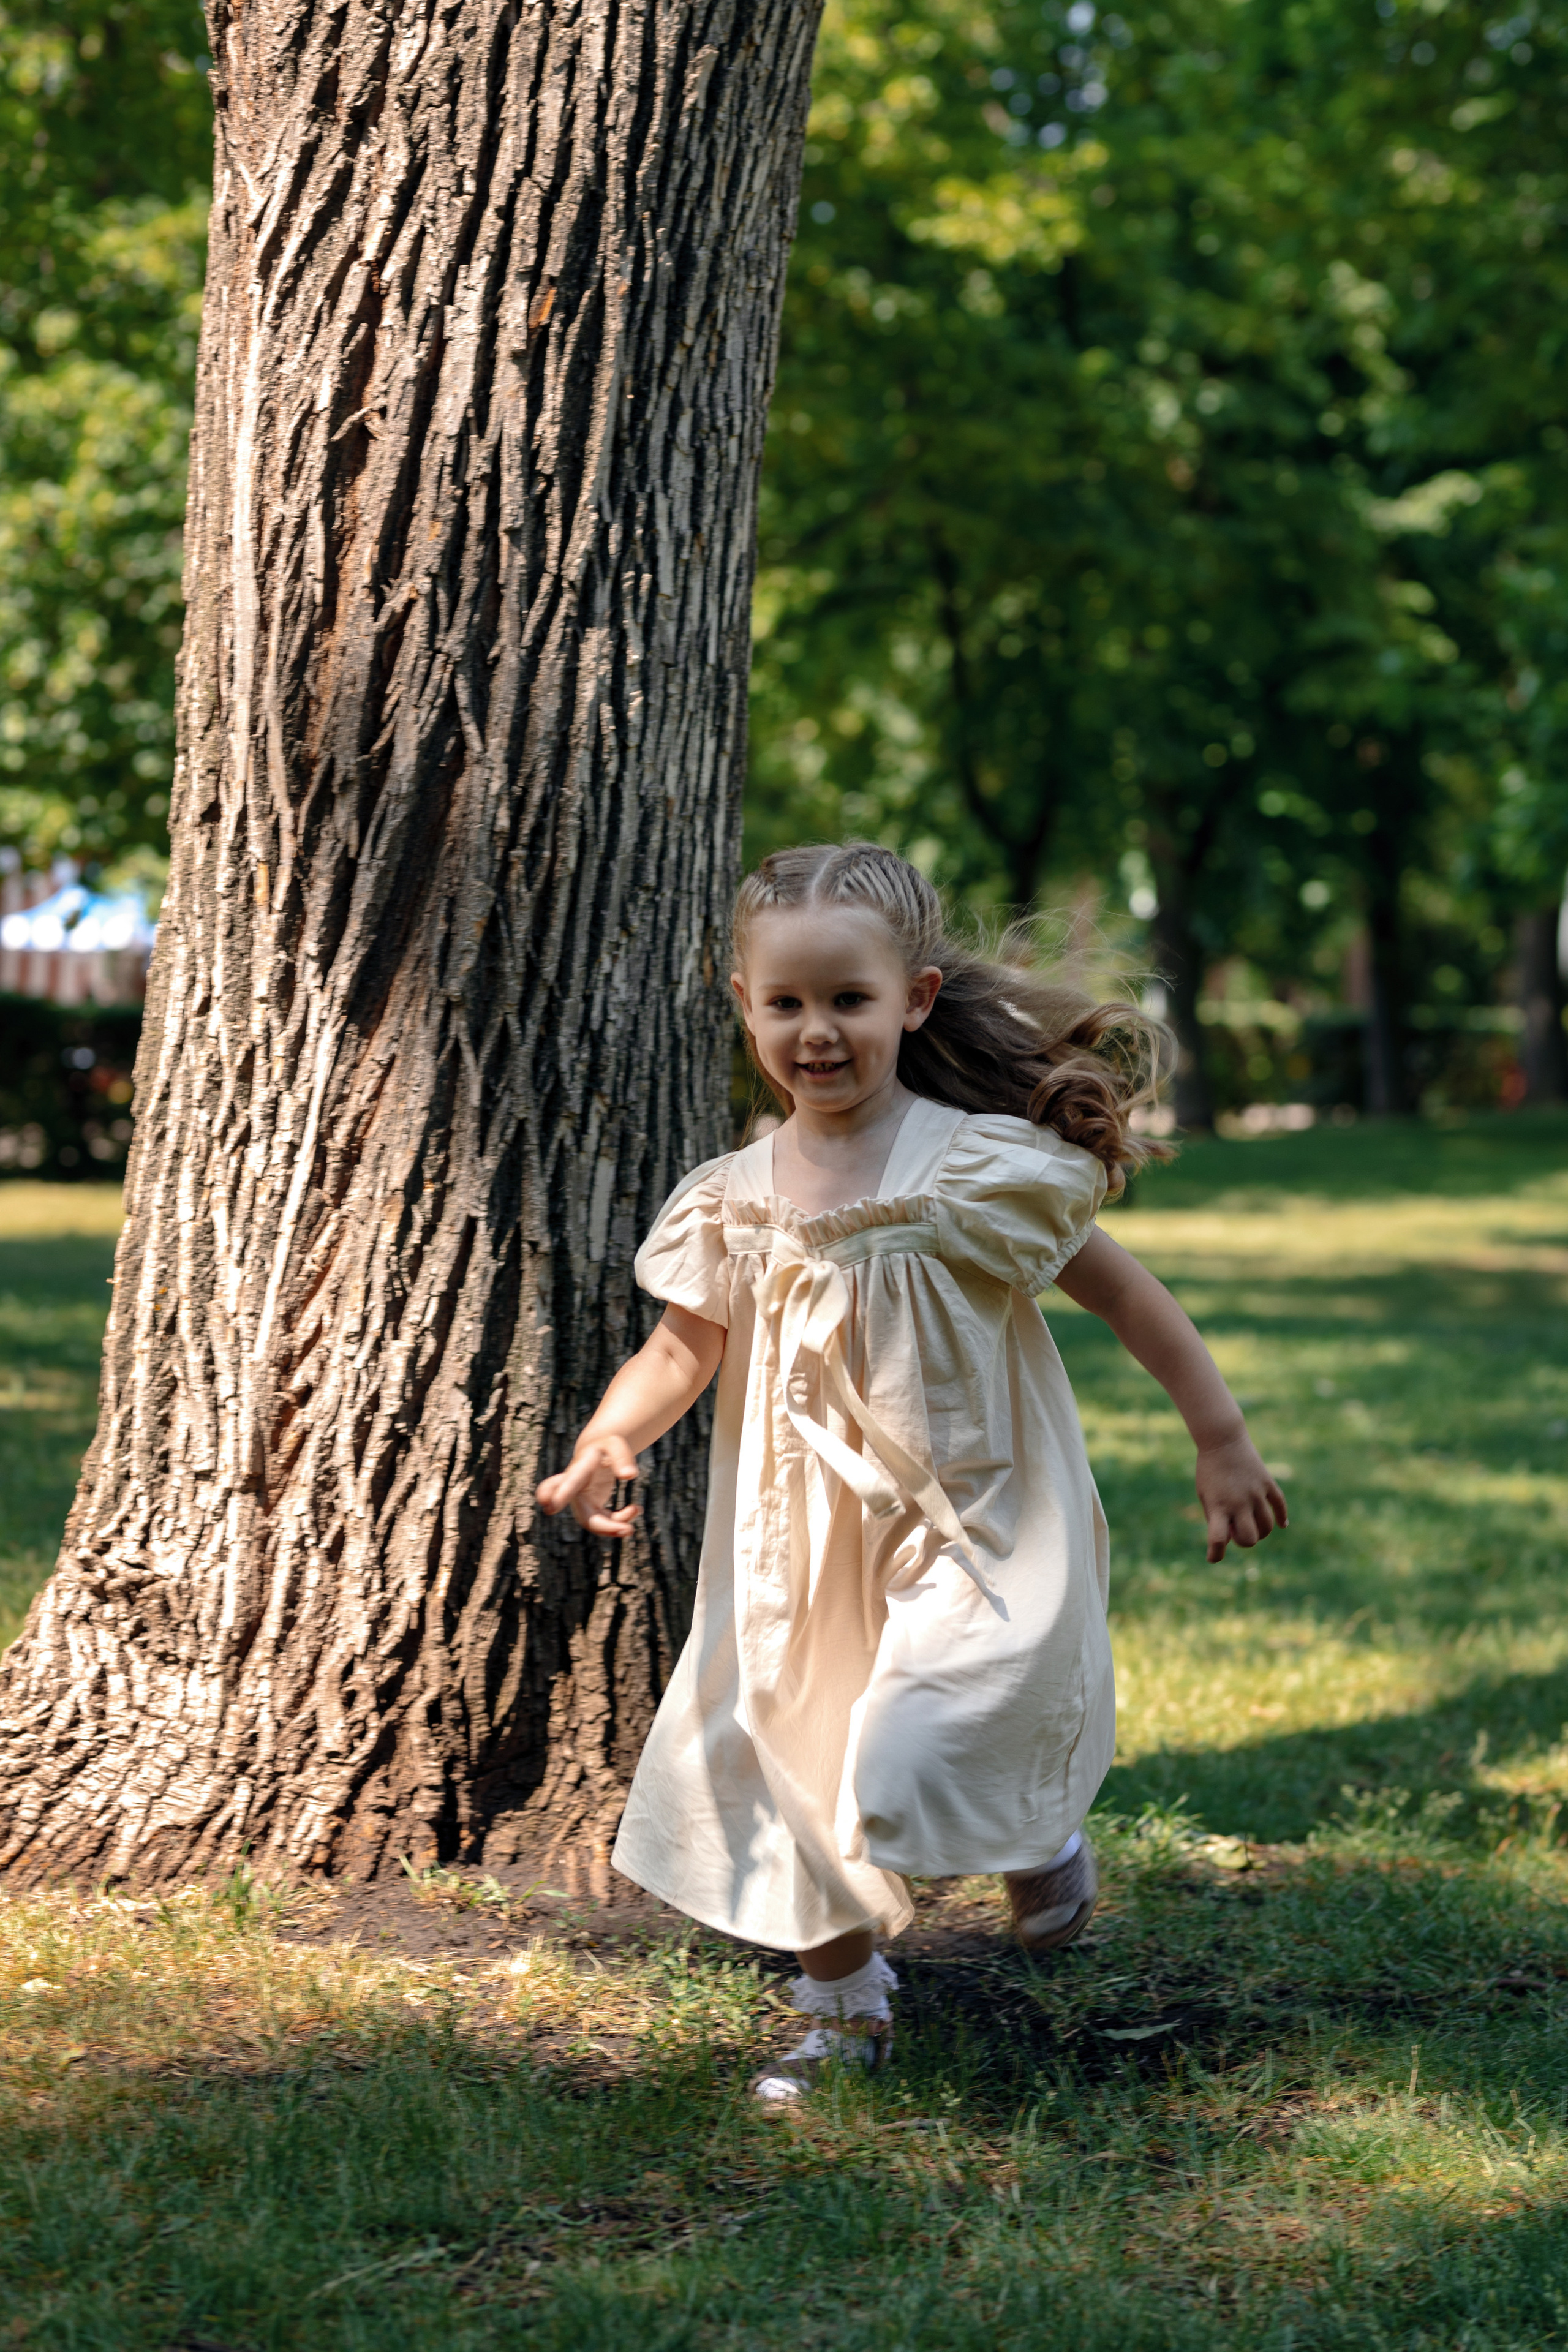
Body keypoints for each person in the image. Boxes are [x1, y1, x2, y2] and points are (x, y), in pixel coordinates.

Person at [537, 842, 1286, 2104]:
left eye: (849, 999)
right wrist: (613, 1435)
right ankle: (843, 2010)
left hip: (972, 1515)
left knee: (920, 1745)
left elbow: (1126, 1296)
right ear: (744, 1005)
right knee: (783, 1758)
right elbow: (681, 1346)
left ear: (915, 1001)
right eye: (786, 1003)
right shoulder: (730, 1197)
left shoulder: (975, 1168)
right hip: (789, 1536)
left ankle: (1035, 1832)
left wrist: (1220, 1440)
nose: (816, 1032)